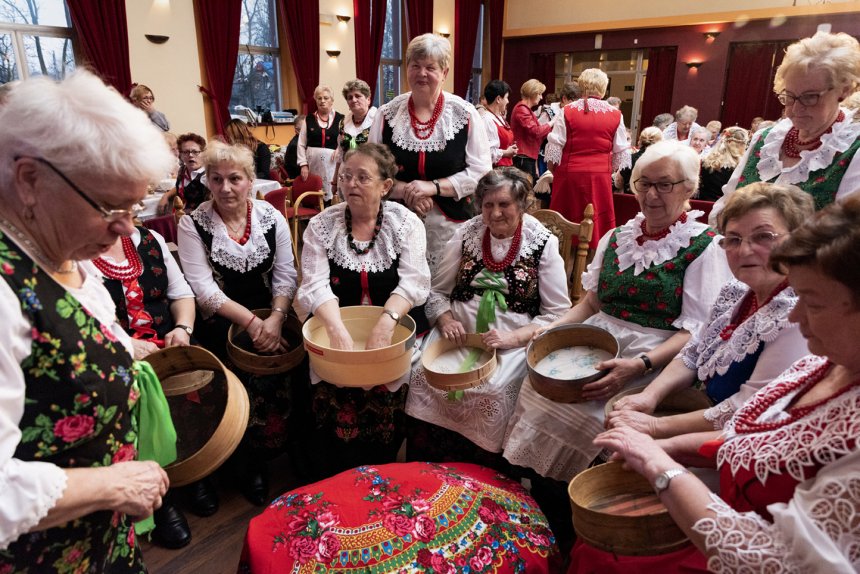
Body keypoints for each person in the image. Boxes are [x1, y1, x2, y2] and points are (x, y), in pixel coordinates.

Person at [589, 195, 860, 573]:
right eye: (732, 239)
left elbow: (785, 560)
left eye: (812, 303)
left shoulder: (794, 329)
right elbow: (745, 430)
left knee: (607, 557)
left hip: (743, 532)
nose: (798, 314)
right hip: (720, 466)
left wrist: (658, 458)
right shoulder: (819, 362)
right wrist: (656, 427)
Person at [0, 70, 173, 572]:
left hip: (99, 536)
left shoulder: (62, 253)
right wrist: (113, 484)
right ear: (30, 180)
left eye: (134, 206)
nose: (127, 228)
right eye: (108, 206)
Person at [503, 141, 732, 483]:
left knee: (598, 414)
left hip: (657, 356)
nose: (651, 194)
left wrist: (639, 365)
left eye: (664, 184)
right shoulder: (616, 237)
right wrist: (552, 329)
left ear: (688, 188)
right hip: (596, 341)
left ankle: (585, 492)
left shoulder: (704, 246)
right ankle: (536, 486)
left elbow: (694, 333)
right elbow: (591, 303)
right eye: (644, 183)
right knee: (537, 388)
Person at [606, 182, 813, 440]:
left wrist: (654, 426)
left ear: (798, 240)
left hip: (744, 442)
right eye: (734, 239)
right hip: (705, 418)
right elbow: (693, 352)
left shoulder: (798, 315)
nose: (744, 250)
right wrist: (649, 396)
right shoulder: (736, 291)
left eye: (763, 236)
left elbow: (747, 408)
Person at [405, 168, 571, 470]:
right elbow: (437, 291)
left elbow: (557, 312)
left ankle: (485, 475)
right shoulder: (467, 233)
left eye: (504, 204)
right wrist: (445, 320)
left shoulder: (541, 242)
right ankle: (427, 470)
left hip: (512, 342)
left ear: (522, 205)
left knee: (493, 388)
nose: (494, 214)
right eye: (487, 205)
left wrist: (513, 338)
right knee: (421, 373)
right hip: (457, 335)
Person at [293, 143, 430, 481]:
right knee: (330, 386)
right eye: (346, 176)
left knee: (387, 392)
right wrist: (337, 330)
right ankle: (335, 475)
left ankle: (380, 471)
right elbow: (314, 283)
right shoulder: (323, 225)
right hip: (333, 322)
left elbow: (414, 281)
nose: (351, 183)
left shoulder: (405, 223)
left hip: (394, 325)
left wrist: (386, 323)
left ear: (385, 186)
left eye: (362, 177)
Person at [177, 141, 298, 506]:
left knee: (292, 368)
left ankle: (281, 448)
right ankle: (245, 463)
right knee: (234, 387)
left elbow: (286, 274)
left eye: (234, 179)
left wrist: (276, 318)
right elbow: (204, 291)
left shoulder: (270, 217)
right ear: (208, 182)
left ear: (250, 180)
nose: (225, 188)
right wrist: (253, 324)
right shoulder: (192, 224)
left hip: (272, 313)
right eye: (216, 179)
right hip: (221, 321)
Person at [83, 226, 198, 549]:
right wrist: (126, 345)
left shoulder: (149, 240)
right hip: (115, 356)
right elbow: (83, 320)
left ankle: (192, 475)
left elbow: (182, 294)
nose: (126, 219)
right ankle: (162, 501)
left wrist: (183, 328)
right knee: (135, 417)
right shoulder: (78, 253)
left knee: (193, 394)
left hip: (167, 346)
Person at [369, 33, 491, 274]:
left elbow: (481, 172)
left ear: (444, 73)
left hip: (451, 225)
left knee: (445, 285)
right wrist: (408, 191)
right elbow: (372, 171)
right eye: (415, 66)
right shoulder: (387, 114)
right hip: (396, 221)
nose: (421, 73)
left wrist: (433, 187)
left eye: (430, 67)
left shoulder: (464, 114)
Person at [712, 31, 860, 222]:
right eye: (789, 96)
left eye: (810, 97)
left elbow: (848, 233)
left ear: (844, 90)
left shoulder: (853, 150)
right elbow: (725, 206)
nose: (795, 109)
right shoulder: (766, 139)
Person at [545, 68, 631, 243]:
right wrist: (605, 169)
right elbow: (620, 152)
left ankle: (564, 255)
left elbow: (555, 149)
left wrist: (556, 172)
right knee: (596, 222)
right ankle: (591, 255)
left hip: (569, 175)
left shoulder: (567, 110)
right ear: (604, 88)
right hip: (600, 177)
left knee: (564, 222)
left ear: (581, 86)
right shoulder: (616, 114)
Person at [298, 85, 343, 202]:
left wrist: (339, 149)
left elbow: (346, 140)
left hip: (332, 165)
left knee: (332, 197)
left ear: (332, 100)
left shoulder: (341, 119)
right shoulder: (308, 119)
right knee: (315, 195)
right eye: (319, 98)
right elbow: (301, 143)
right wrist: (303, 164)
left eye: (326, 98)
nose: (322, 101)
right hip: (313, 165)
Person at [333, 79, 377, 196]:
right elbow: (340, 154)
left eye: (358, 96)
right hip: (346, 175)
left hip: (368, 175)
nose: (353, 100)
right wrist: (334, 180)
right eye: (349, 97)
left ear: (368, 99)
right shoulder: (343, 123)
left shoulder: (377, 120)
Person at [510, 79, 553, 180]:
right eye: (539, 94)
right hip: (523, 157)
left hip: (527, 157)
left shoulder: (525, 109)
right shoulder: (522, 109)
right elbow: (536, 131)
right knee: (526, 187)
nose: (541, 97)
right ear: (533, 93)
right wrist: (552, 122)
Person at [157, 132, 209, 215]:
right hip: (180, 216)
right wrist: (166, 196)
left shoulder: (208, 175)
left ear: (203, 153)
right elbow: (182, 187)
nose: (190, 155)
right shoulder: (182, 170)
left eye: (195, 152)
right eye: (186, 152)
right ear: (180, 155)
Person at [697, 126, 749, 202]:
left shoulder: (706, 161)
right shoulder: (741, 167)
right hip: (726, 206)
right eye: (745, 144)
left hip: (702, 204)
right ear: (741, 145)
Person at [482, 80, 518, 168]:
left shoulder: (499, 117)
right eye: (506, 97)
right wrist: (506, 152)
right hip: (496, 170)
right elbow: (486, 152)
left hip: (505, 167)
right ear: (498, 99)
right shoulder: (487, 120)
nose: (508, 101)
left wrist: (511, 149)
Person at [616, 126, 662, 193]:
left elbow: (618, 183)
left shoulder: (629, 159)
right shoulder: (665, 161)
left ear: (640, 141)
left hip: (631, 197)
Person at [283, 114, 304, 180]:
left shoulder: (302, 141)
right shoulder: (295, 145)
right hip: (297, 179)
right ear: (297, 130)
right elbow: (296, 169)